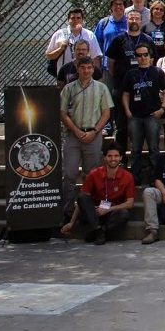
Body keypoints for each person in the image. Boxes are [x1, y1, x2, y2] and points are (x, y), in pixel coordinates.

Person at [60, 56, 113, 215]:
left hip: (93, 135)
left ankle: (87, 209)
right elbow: (62, 113)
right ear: (77, 69)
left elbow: (106, 113)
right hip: (73, 135)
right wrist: (76, 131)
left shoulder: (101, 88)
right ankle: (67, 210)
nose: (86, 71)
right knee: (69, 174)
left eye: (89, 68)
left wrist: (95, 131)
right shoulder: (68, 89)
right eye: (83, 68)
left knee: (90, 175)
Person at [61, 142, 135, 244]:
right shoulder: (94, 174)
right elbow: (82, 200)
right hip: (94, 212)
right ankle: (98, 230)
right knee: (82, 197)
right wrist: (72, 222)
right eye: (109, 156)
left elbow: (130, 203)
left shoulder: (127, 176)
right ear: (104, 158)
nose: (113, 159)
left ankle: (98, 231)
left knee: (124, 215)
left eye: (116, 156)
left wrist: (109, 209)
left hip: (111, 212)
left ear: (121, 158)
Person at [105, 9, 154, 150]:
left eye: (137, 18)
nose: (134, 21)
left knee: (142, 124)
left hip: (142, 89)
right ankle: (121, 158)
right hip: (121, 89)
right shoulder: (118, 40)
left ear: (141, 21)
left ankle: (139, 155)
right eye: (131, 18)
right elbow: (110, 63)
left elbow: (151, 62)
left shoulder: (147, 40)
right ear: (126, 20)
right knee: (122, 126)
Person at [120, 44, 165, 185]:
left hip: (152, 116)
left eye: (145, 55)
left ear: (150, 56)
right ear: (136, 58)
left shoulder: (157, 72)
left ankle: (155, 179)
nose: (142, 58)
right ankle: (135, 179)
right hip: (135, 117)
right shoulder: (131, 73)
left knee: (154, 149)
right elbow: (125, 94)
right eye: (139, 55)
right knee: (135, 149)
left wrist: (163, 108)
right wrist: (128, 112)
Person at [45, 7, 101, 79]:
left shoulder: (90, 35)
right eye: (73, 18)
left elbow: (96, 57)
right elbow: (49, 56)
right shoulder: (59, 34)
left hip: (85, 77)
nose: (75, 21)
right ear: (68, 20)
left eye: (78, 18)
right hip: (65, 76)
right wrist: (61, 48)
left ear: (82, 20)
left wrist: (95, 76)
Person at [94, 0, 127, 71]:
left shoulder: (129, 23)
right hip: (107, 67)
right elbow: (96, 46)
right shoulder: (104, 23)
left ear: (124, 7)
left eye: (120, 4)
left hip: (126, 66)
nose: (118, 6)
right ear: (111, 7)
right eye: (115, 4)